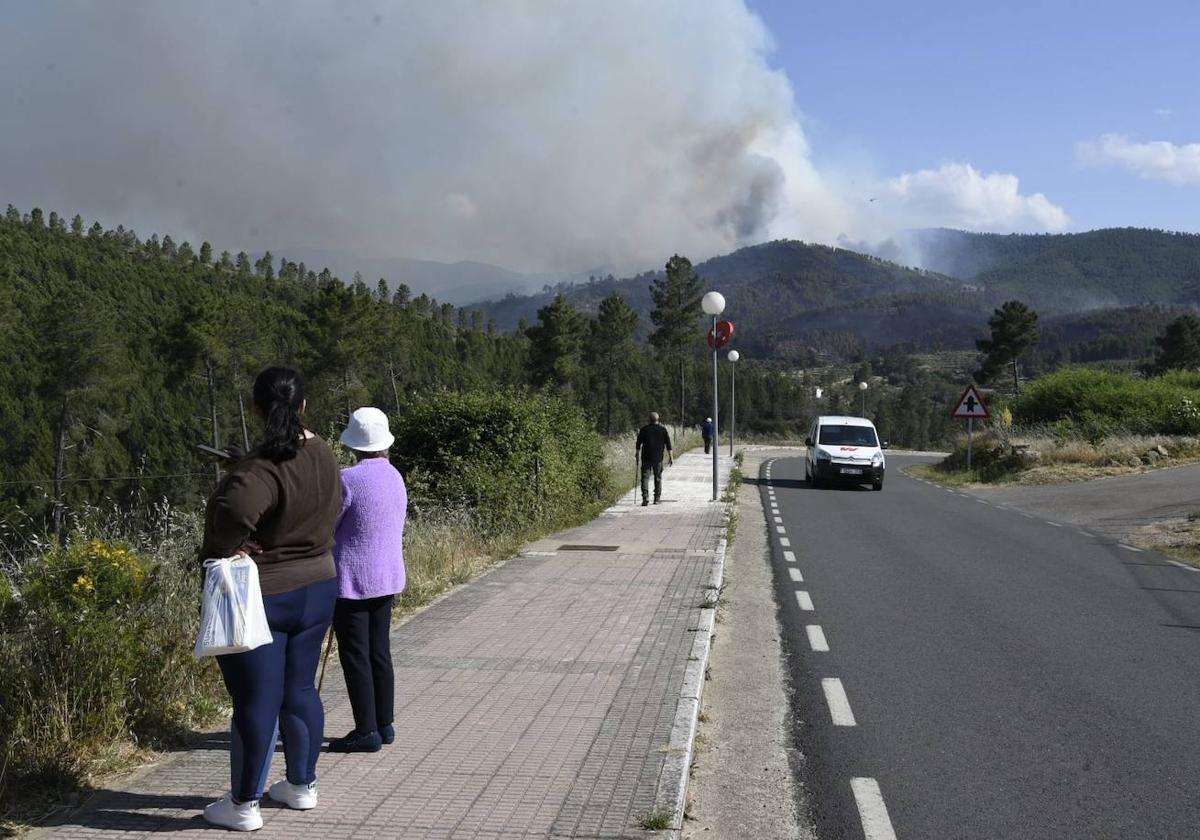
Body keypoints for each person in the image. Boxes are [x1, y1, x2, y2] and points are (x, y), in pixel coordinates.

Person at [199, 367, 343, 831]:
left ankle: (243, 805)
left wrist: (225, 547)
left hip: (264, 592)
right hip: (319, 585)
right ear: (303, 405)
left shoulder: (261, 465)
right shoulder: (324, 453)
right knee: (300, 689)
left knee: (256, 700)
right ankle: (301, 786)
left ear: (258, 408)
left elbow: (237, 508)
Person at [328, 407, 408, 753]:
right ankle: (384, 723)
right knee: (379, 653)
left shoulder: (347, 479)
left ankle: (365, 729)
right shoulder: (394, 475)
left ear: (353, 444)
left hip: (352, 580)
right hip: (386, 576)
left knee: (355, 655)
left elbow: (328, 524)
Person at [635, 411, 673, 506]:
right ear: (658, 419)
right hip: (658, 458)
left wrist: (637, 454)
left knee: (645, 478)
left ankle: (645, 498)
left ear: (649, 419)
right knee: (658, 478)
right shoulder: (663, 430)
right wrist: (671, 457)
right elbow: (668, 445)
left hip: (646, 457)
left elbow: (638, 443)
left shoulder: (644, 429)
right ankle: (656, 498)